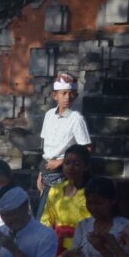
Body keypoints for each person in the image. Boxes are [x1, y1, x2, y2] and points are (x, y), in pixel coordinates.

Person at [37, 73, 90, 206]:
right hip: (47, 170)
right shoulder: (49, 115)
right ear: (55, 96)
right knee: (44, 215)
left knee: (59, 212)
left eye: (71, 93)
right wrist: (41, 173)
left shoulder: (76, 119)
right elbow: (45, 148)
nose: (68, 97)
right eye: (64, 93)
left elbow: (87, 149)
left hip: (63, 173)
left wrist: (61, 162)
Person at [41, 144, 91, 257]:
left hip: (83, 250)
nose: (70, 168)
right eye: (67, 163)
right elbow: (46, 221)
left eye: (76, 164)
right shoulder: (55, 190)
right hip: (56, 247)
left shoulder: (91, 192)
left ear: (86, 167)